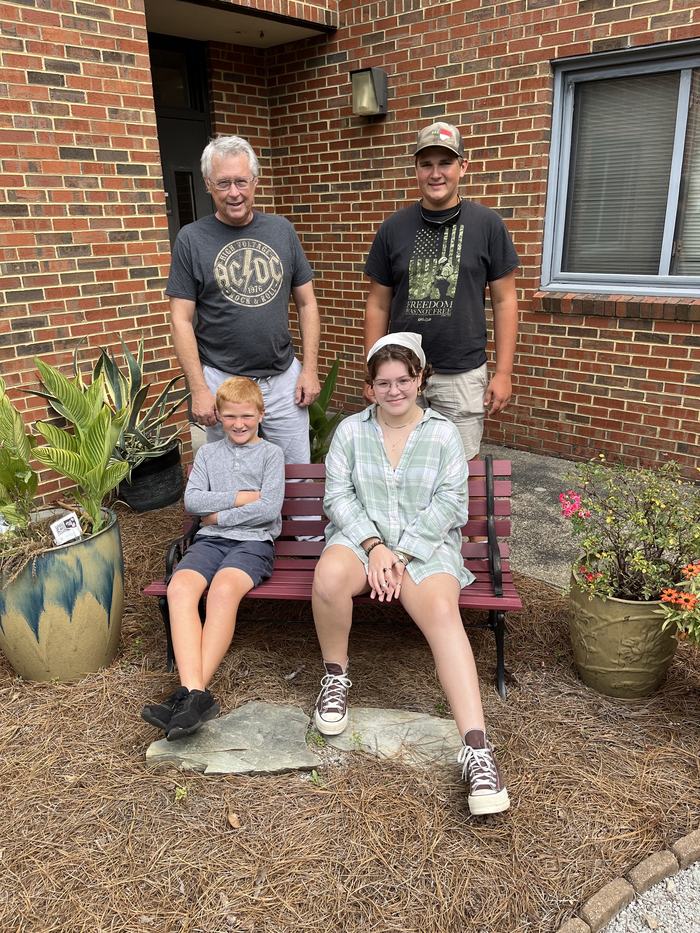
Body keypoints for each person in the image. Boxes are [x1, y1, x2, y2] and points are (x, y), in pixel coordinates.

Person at [310, 333, 510, 816]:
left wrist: (399, 553)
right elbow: (337, 497)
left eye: (403, 380)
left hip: (423, 547)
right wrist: (376, 547)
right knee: (329, 578)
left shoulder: (442, 433)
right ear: (369, 387)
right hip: (363, 542)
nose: (394, 390)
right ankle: (335, 677)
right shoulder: (350, 432)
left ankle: (478, 751)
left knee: (442, 610)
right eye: (383, 382)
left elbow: (450, 504)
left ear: (420, 379)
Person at [364, 121, 519, 463]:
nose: (436, 173)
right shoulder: (393, 228)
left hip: (461, 373)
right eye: (426, 164)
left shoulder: (487, 225)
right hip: (401, 373)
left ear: (463, 166)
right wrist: (372, 372)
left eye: (445, 162)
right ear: (416, 169)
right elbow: (377, 304)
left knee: (460, 468)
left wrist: (504, 372)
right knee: (400, 461)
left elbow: (505, 300)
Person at [141, 377, 285, 740]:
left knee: (222, 591)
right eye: (231, 416)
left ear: (260, 414)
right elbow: (193, 502)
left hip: (253, 544)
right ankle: (196, 697)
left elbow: (269, 509)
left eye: (247, 416)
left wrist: (220, 514)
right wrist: (241, 497)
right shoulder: (207, 454)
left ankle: (188, 695)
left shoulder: (271, 455)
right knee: (180, 589)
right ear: (218, 415)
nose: (239, 424)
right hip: (209, 542)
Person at [167, 134, 321, 463]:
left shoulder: (282, 230)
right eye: (223, 183)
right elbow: (180, 320)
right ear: (208, 184)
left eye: (241, 181)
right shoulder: (191, 239)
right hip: (224, 382)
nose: (234, 193)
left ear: (255, 181)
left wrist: (309, 370)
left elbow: (307, 303)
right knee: (229, 476)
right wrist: (198, 389)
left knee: (295, 473)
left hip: (282, 381)